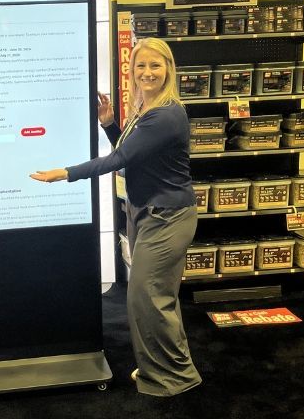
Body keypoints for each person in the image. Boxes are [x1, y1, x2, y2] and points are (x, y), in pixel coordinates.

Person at [31, 36, 201, 396]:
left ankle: (176, 376)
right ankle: (162, 367)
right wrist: (110, 125)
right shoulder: (146, 110)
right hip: (145, 211)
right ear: (132, 71)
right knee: (152, 297)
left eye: (155, 65)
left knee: (149, 296)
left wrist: (64, 172)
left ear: (169, 69)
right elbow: (131, 152)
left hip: (167, 216)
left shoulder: (166, 114)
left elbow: (119, 161)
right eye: (141, 66)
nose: (147, 72)